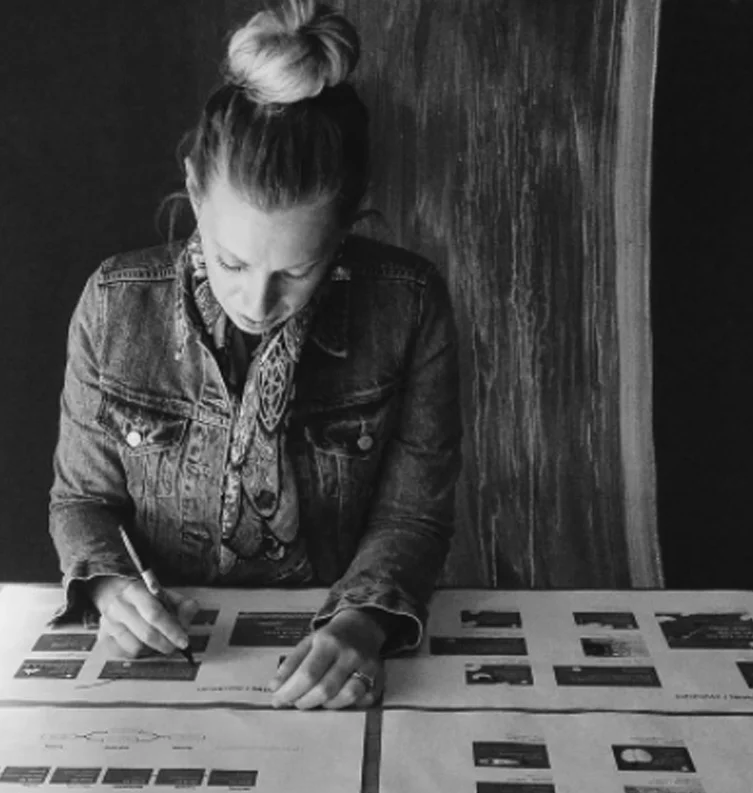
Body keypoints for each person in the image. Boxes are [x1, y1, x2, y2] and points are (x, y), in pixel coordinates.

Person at [48, 0, 462, 711]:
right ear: (194, 191)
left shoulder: (410, 305)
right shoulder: (114, 306)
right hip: (171, 664)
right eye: (230, 260)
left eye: (295, 272)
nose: (257, 301)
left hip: (331, 649)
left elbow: (412, 516)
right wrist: (114, 587)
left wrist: (362, 622)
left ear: (346, 228)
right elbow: (82, 500)